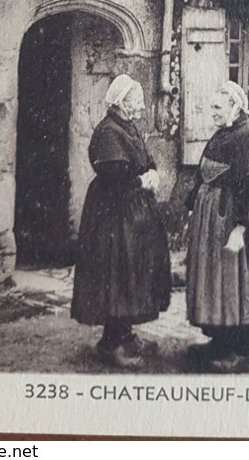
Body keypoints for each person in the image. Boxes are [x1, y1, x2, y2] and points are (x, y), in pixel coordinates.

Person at [71, 74, 171, 368]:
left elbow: (145, 159)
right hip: (113, 218)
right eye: (136, 102)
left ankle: (125, 333)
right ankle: (110, 343)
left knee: (132, 275)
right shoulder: (108, 132)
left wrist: (151, 172)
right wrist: (143, 180)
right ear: (121, 102)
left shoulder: (128, 127)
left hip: (133, 215)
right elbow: (115, 175)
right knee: (117, 274)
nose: (141, 108)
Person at [185, 82, 249, 372]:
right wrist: (194, 204)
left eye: (217, 107)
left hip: (238, 224)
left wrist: (241, 228)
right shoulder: (225, 133)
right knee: (218, 282)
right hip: (215, 223)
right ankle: (220, 341)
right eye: (212, 107)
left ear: (235, 107)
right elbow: (206, 174)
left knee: (239, 284)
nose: (212, 113)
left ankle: (242, 350)